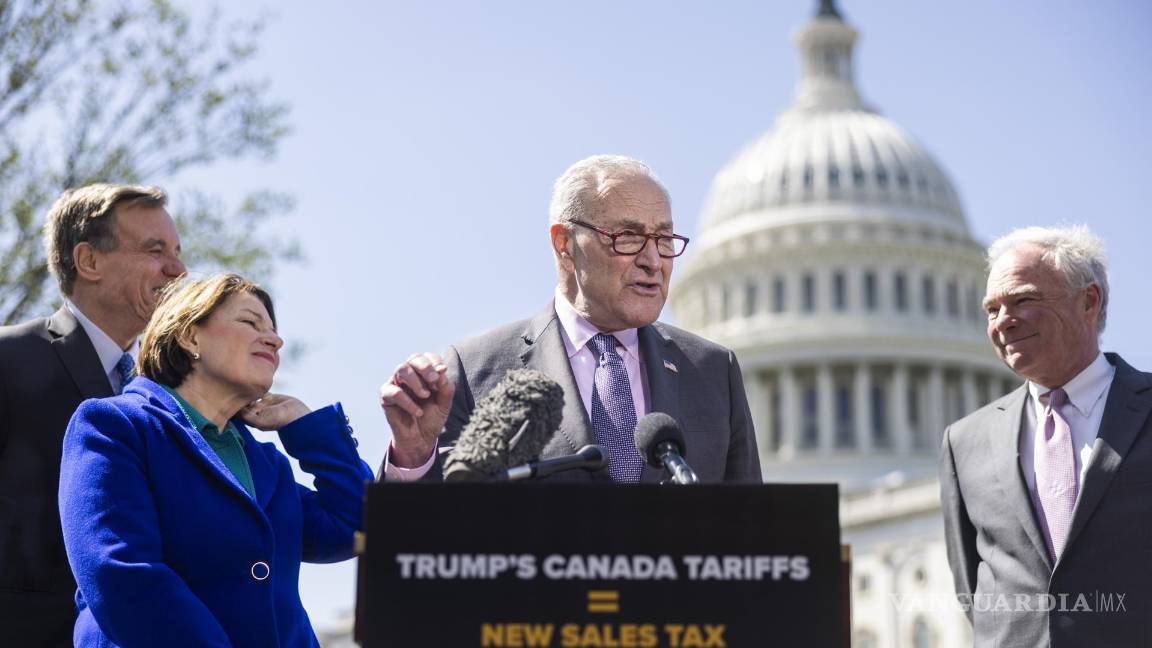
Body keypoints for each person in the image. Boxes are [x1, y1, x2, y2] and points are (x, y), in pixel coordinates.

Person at [380, 154, 761, 483]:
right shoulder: (476, 369)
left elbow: (751, 534)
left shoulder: (712, 372)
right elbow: (427, 536)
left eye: (663, 239)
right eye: (627, 237)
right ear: (565, 245)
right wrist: (413, 456)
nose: (653, 261)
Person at [58, 274, 371, 646]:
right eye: (250, 322)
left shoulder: (267, 464)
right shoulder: (114, 426)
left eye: (273, 329)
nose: (275, 339)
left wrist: (308, 428)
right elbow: (119, 572)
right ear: (190, 336)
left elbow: (356, 527)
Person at [940, 225, 1151, 646]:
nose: (1003, 322)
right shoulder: (964, 442)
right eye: (992, 308)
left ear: (1089, 301)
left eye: (1023, 300)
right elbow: (973, 587)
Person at [0, 184, 185, 645]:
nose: (178, 270)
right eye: (154, 250)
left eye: (178, 252)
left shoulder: (178, 391)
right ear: (90, 262)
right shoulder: (9, 359)